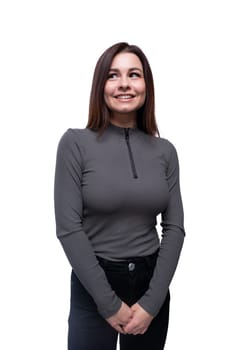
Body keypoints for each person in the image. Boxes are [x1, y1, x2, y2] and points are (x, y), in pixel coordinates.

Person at [54, 42, 186, 350]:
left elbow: (175, 228)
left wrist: (152, 303)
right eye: (113, 75)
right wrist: (109, 303)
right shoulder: (75, 144)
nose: (124, 83)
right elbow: (68, 228)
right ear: (100, 85)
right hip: (94, 284)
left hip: (151, 286)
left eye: (134, 74)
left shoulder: (165, 151)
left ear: (146, 86)